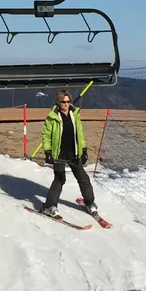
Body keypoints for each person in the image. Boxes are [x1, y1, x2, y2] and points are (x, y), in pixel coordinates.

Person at [32, 90, 98, 218]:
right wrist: (48, 152)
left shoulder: (75, 114)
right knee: (60, 179)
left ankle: (89, 203)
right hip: (59, 152)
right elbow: (46, 135)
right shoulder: (52, 117)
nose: (66, 104)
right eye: (63, 102)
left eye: (68, 101)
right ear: (58, 102)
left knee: (83, 178)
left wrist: (83, 150)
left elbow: (80, 133)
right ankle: (50, 206)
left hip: (74, 152)